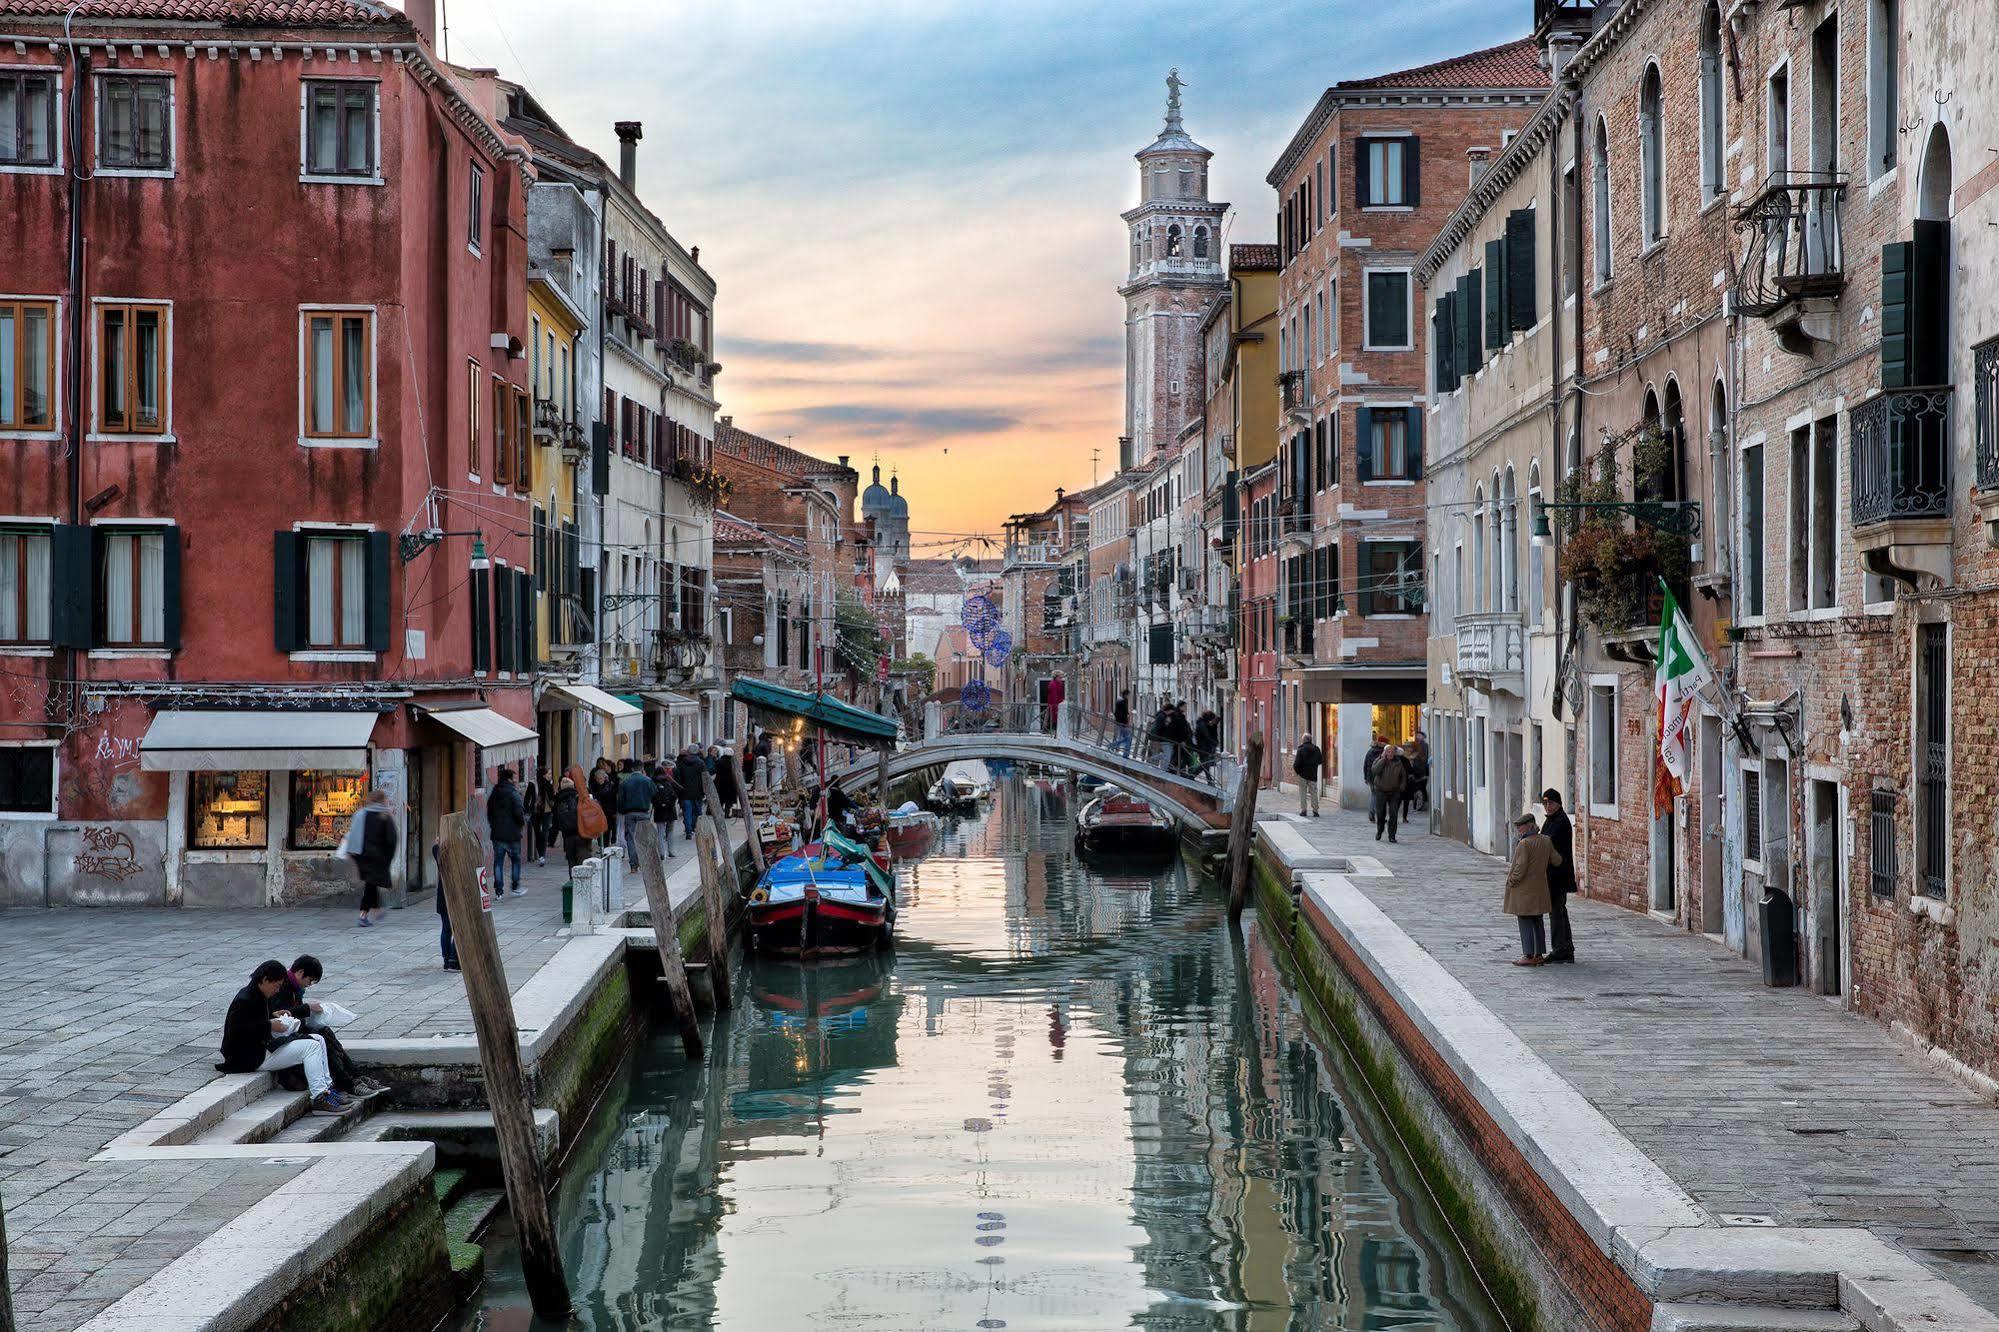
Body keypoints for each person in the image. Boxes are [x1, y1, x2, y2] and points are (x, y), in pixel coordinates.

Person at [217, 960, 350, 1116]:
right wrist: (269, 1025)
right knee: (311, 1046)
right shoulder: (245, 1000)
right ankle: (319, 1098)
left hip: (260, 1049)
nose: (277, 990)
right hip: (249, 1057)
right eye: (276, 986)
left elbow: (253, 1020)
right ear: (265, 980)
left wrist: (273, 1016)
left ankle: (327, 1090)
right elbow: (237, 1032)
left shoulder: (258, 995)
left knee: (317, 1039)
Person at [273, 956, 386, 1099]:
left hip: (295, 1032)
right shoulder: (283, 987)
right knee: (321, 1041)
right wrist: (307, 1008)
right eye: (310, 980)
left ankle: (356, 1077)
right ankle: (348, 1083)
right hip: (284, 1037)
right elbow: (280, 1014)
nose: (309, 984)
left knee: (325, 1033)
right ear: (300, 973)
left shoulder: (294, 988)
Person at [1504, 812, 1561, 967]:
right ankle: (1539, 954)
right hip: (1540, 888)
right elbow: (1557, 860)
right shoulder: (1546, 840)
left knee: (1524, 920)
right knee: (1537, 920)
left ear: (1529, 825)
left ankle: (1528, 955)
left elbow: (1520, 869)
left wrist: (1511, 881)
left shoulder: (1524, 844)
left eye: (1520, 827)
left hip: (1524, 889)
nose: (1518, 830)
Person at [341, 788, 397, 927]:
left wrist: (352, 851)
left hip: (362, 855)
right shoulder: (384, 816)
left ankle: (376, 910)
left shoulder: (360, 814)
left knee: (371, 883)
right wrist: (389, 857)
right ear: (382, 800)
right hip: (377, 856)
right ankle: (363, 914)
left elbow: (353, 833)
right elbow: (392, 839)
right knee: (371, 884)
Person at [1540, 789, 1578, 963]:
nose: (1548, 806)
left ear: (1559, 804)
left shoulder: (1560, 822)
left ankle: (1560, 949)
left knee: (1556, 913)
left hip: (1558, 876)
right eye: (1545, 803)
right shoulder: (1551, 821)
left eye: (1551, 803)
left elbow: (1547, 844)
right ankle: (1566, 948)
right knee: (1559, 911)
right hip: (1553, 876)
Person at [487, 767, 528, 898]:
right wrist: (521, 823)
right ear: (509, 779)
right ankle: (515, 887)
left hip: (497, 833)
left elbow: (489, 813)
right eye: (514, 778)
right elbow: (518, 812)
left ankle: (499, 892)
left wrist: (494, 825)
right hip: (512, 834)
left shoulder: (494, 793)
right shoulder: (513, 793)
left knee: (498, 862)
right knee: (515, 860)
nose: (516, 781)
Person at [615, 757, 655, 861]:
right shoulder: (647, 781)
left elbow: (620, 800)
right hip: (643, 812)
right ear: (642, 769)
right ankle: (644, 861)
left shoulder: (625, 782)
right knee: (644, 837)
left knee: (631, 838)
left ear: (632, 769)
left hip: (629, 813)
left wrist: (622, 811)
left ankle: (633, 863)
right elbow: (655, 794)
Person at [1370, 744, 1410, 842]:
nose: (1390, 754)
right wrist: (1383, 760)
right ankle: (1380, 830)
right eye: (1388, 752)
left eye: (1392, 752)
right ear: (1384, 752)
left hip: (1394, 792)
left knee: (1393, 813)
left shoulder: (1398, 762)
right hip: (1381, 791)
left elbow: (1403, 775)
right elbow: (1374, 771)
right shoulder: (1379, 760)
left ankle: (1392, 835)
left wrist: (1401, 786)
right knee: (1381, 813)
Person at [552, 776, 588, 878]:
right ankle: (583, 882)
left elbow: (555, 821)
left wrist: (552, 838)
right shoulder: (579, 797)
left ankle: (572, 881)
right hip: (581, 832)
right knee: (583, 858)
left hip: (567, 835)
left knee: (571, 860)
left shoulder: (558, 800)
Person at [433, 839, 460, 971]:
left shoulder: (437, 849)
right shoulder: (454, 849)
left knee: (446, 928)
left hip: (443, 893)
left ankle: (446, 959)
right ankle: (454, 959)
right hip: (454, 893)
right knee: (458, 928)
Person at [674, 746, 709, 840]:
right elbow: (705, 778)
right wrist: (705, 790)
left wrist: (680, 791)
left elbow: (678, 778)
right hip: (698, 792)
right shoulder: (701, 763)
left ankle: (689, 831)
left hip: (685, 792)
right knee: (698, 812)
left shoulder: (681, 763)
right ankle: (694, 827)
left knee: (687, 812)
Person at [650, 760, 680, 858]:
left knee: (660, 831)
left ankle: (661, 852)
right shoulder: (668, 781)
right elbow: (674, 795)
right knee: (670, 831)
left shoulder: (652, 783)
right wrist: (669, 804)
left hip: (659, 810)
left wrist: (658, 804)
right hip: (670, 810)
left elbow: (652, 797)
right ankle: (671, 851)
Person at [1293, 734, 1325, 817]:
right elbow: (1320, 761)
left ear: (1304, 740)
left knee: (1302, 793)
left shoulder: (1301, 749)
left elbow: (1296, 764)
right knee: (1314, 793)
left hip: (1302, 775)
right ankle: (1315, 810)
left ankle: (1304, 810)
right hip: (1313, 774)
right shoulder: (1316, 749)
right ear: (1310, 740)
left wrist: (1298, 772)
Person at [521, 770, 545, 866]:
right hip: (535, 812)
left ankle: (541, 855)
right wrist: (527, 811)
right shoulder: (532, 784)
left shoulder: (548, 784)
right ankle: (539, 856)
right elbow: (527, 798)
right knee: (538, 833)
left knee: (543, 833)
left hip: (546, 812)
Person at [1407, 733, 1432, 817]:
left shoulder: (1424, 745)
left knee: (1421, 787)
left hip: (1422, 770)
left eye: (1419, 735)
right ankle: (1418, 805)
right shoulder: (1416, 745)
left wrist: (1416, 756)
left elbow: (1424, 758)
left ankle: (1423, 803)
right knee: (1417, 788)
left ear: (1423, 737)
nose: (1417, 737)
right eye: (1417, 735)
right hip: (1417, 770)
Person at [713, 747, 741, 817]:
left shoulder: (719, 761)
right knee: (728, 801)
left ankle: (719, 813)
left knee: (720, 799)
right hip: (730, 784)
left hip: (720, 783)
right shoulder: (733, 763)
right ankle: (727, 813)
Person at [1193, 710, 1221, 778]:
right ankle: (1192, 775)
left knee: (1206, 764)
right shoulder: (1202, 725)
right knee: (1205, 764)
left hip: (1203, 746)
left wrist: (1214, 725)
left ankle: (1209, 780)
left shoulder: (1203, 724)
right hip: (1203, 747)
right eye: (1211, 719)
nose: (1211, 721)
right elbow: (1207, 736)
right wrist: (1214, 742)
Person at [1113, 690, 1132, 756]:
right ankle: (1125, 753)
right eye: (1128, 695)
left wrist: (1127, 713)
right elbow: (1121, 712)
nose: (1129, 696)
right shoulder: (1123, 702)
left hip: (1120, 721)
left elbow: (1119, 712)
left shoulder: (1121, 701)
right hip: (1122, 722)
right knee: (1127, 737)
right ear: (1126, 695)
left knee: (1121, 736)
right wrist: (1125, 720)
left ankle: (1116, 749)